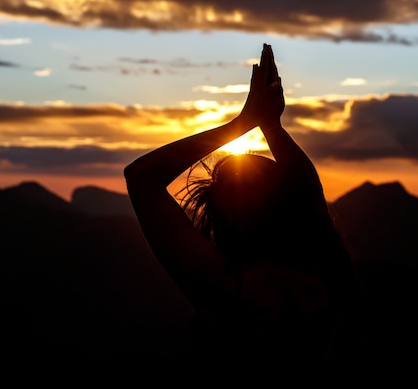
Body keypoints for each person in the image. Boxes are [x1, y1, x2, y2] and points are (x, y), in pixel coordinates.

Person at [124, 44, 358, 366]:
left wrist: (245, 122)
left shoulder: (228, 287)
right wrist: (270, 124)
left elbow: (141, 178)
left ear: (231, 219)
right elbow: (305, 189)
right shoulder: (324, 269)